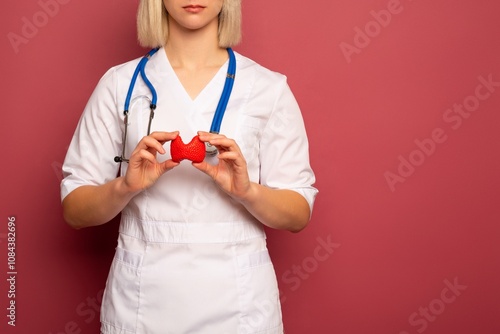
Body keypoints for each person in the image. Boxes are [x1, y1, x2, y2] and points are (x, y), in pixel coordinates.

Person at [61, 0, 318, 333]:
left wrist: (247, 191)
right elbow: (74, 210)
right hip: (142, 303)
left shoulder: (267, 88)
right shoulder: (120, 84)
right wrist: (125, 186)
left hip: (240, 304)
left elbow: (298, 214)